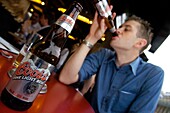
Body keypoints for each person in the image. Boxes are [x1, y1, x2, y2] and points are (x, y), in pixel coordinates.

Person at [59, 4, 164, 113]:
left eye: (126, 29)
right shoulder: (103, 55)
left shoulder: (152, 74)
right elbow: (66, 78)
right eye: (121, 27)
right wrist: (91, 37)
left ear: (140, 43)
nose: (118, 30)